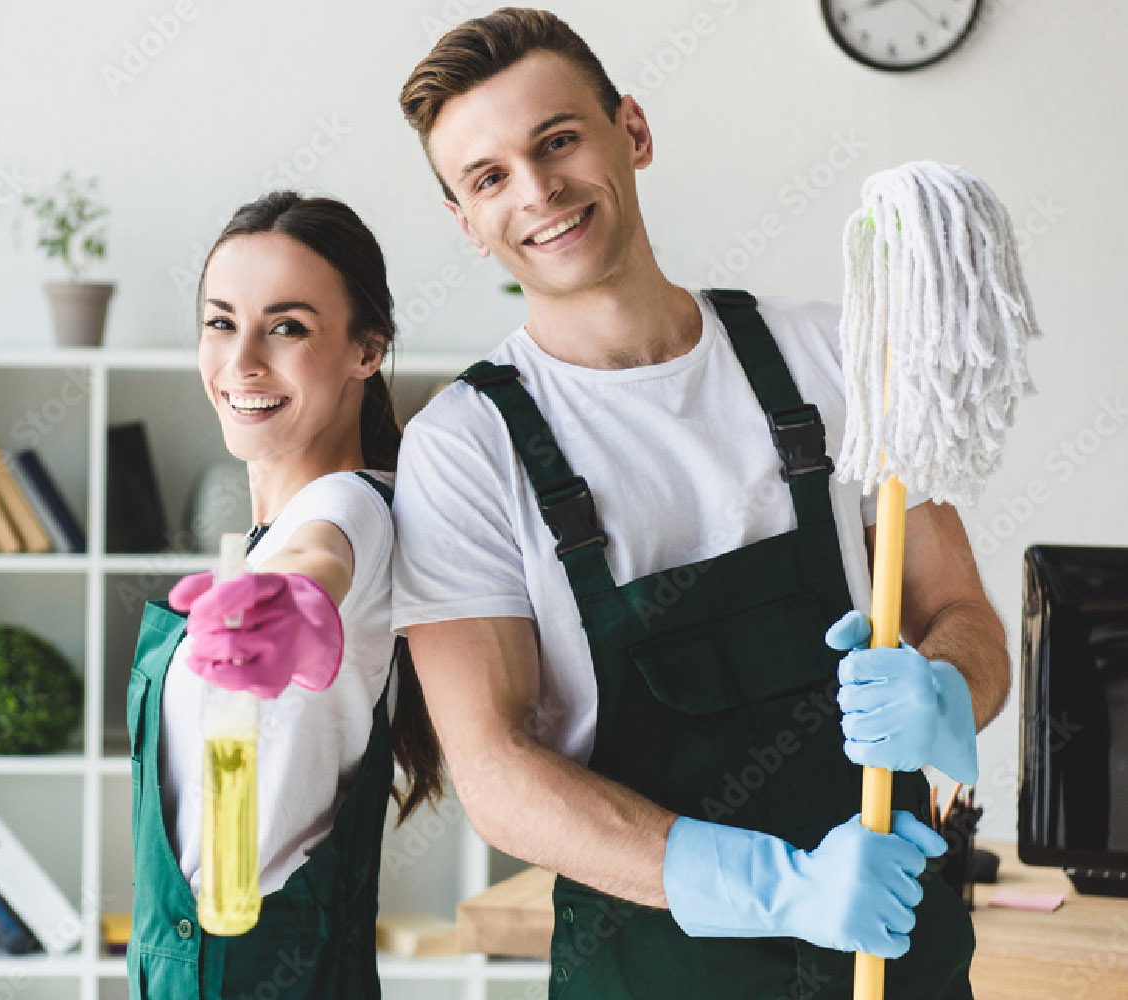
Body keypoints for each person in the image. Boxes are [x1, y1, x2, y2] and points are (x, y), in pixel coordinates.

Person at [390, 9, 1007, 998]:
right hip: (649, 968)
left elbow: (966, 624)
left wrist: (941, 689)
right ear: (467, 222)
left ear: (630, 130)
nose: (539, 190)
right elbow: (497, 775)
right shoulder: (465, 449)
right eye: (489, 176)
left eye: (558, 140)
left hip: (894, 951)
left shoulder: (835, 359)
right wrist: (782, 886)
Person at [124, 191, 442, 999]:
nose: (242, 363)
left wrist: (293, 597)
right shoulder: (273, 532)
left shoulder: (351, 509)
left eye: (288, 327)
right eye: (221, 322)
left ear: (367, 350)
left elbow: (321, 558)